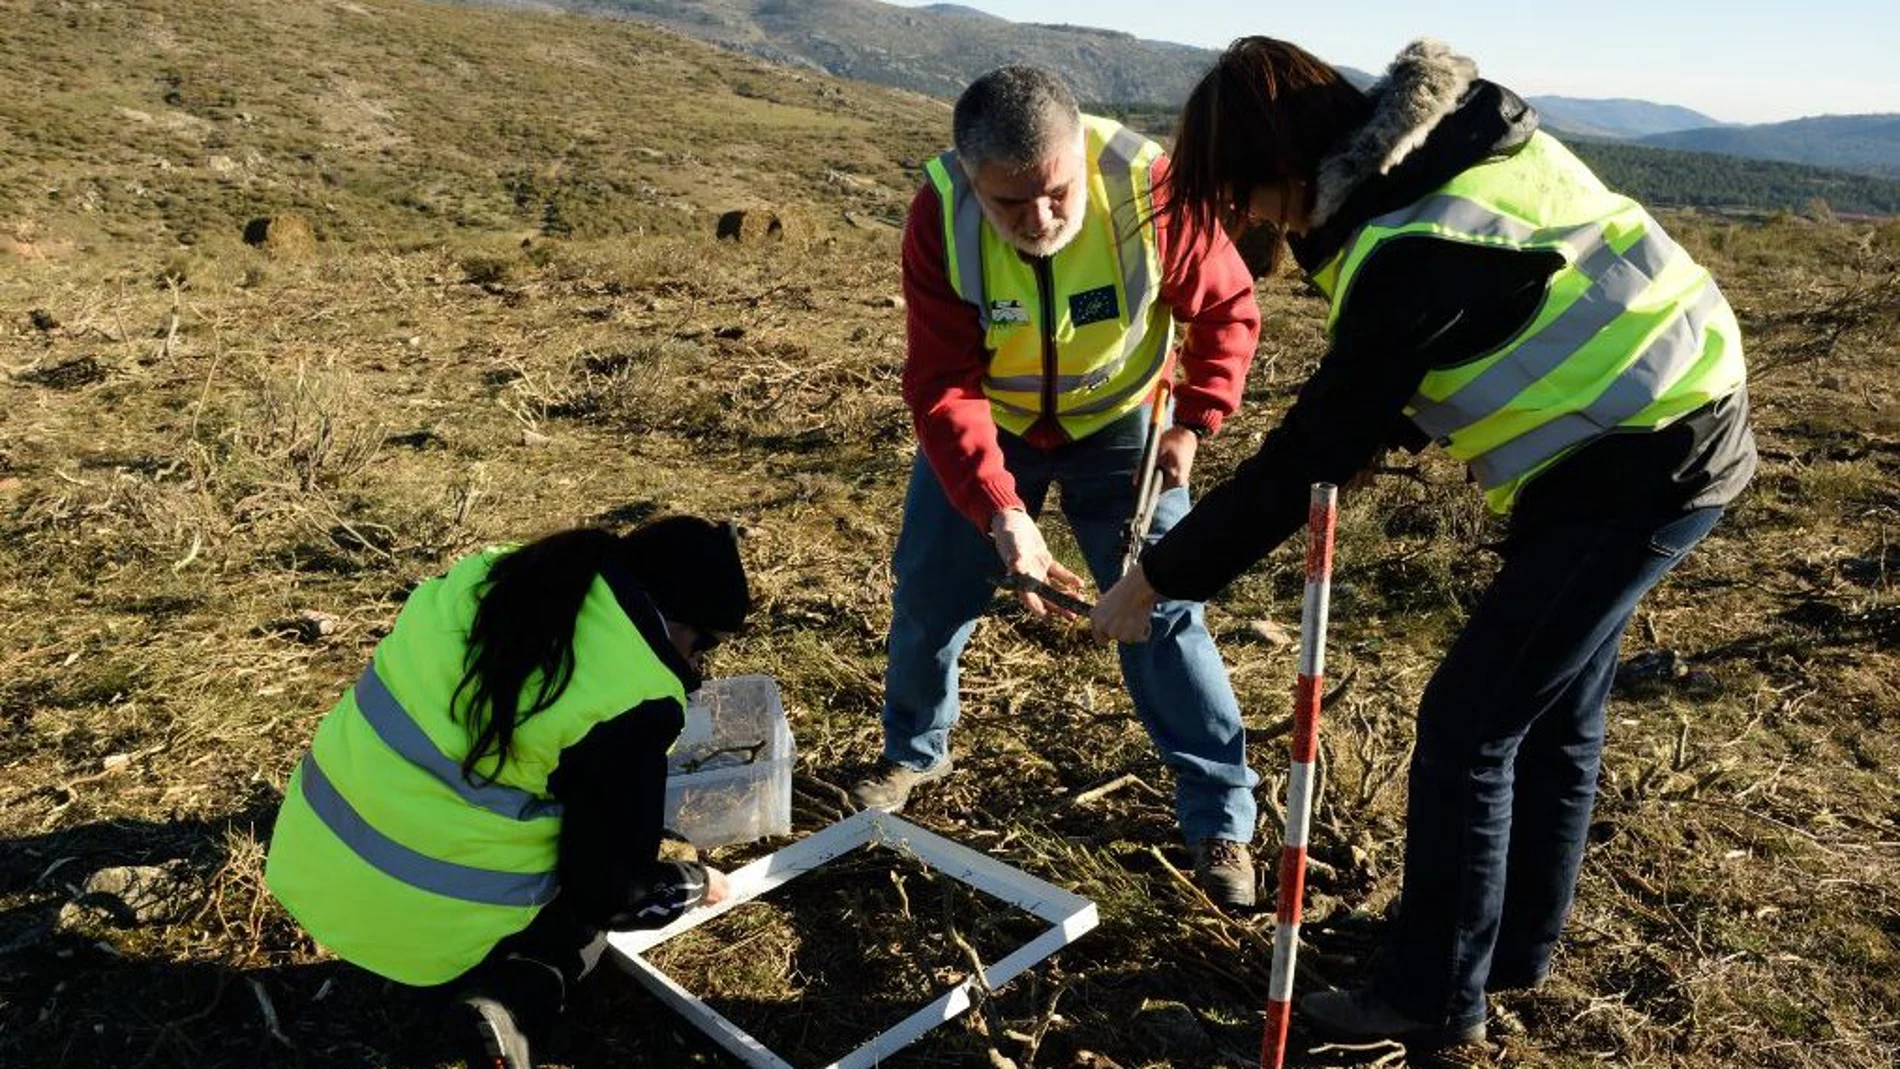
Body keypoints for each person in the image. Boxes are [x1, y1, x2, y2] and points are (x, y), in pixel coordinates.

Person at [1091, 37, 1756, 1048]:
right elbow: (1496, 311)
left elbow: (1304, 454)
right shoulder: (1447, 156)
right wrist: (1385, 418)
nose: (1252, 221)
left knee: (1466, 726)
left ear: (1286, 164)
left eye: (1247, 198)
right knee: (1550, 710)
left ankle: (1432, 996)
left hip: (1642, 462)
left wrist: (1156, 581)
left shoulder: (1407, 240)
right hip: (1654, 423)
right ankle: (1502, 948)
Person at [849, 65, 1267, 908]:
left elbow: (1226, 307)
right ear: (972, 176)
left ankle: (1220, 814)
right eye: (1012, 204)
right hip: (990, 422)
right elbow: (941, 383)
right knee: (932, 589)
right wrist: (1002, 510)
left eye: (1056, 193)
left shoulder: (1147, 186)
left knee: (1165, 612)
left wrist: (1194, 418)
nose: (1040, 219)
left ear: (1077, 149)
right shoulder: (942, 212)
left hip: (1122, 423)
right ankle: (913, 750)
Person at [265, 517, 751, 1069]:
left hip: (310, 860)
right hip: (416, 926)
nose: (698, 666)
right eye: (703, 646)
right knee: (585, 902)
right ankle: (515, 1001)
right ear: (678, 621)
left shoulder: (497, 575)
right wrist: (693, 884)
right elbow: (616, 892)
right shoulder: (635, 695)